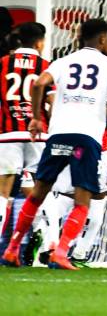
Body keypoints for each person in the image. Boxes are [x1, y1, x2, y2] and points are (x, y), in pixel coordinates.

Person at [1, 19, 107, 270]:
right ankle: (61, 252)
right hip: (86, 138)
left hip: (57, 136)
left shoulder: (61, 62)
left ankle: (12, 249)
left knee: (37, 194)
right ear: (102, 39)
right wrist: (105, 116)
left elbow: (39, 84)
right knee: (83, 200)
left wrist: (36, 118)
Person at [0, 23, 50, 241]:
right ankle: (46, 236)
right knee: (36, 188)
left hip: (8, 134)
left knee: (2, 191)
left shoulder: (2, 63)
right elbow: (52, 101)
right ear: (40, 42)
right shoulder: (46, 66)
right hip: (37, 135)